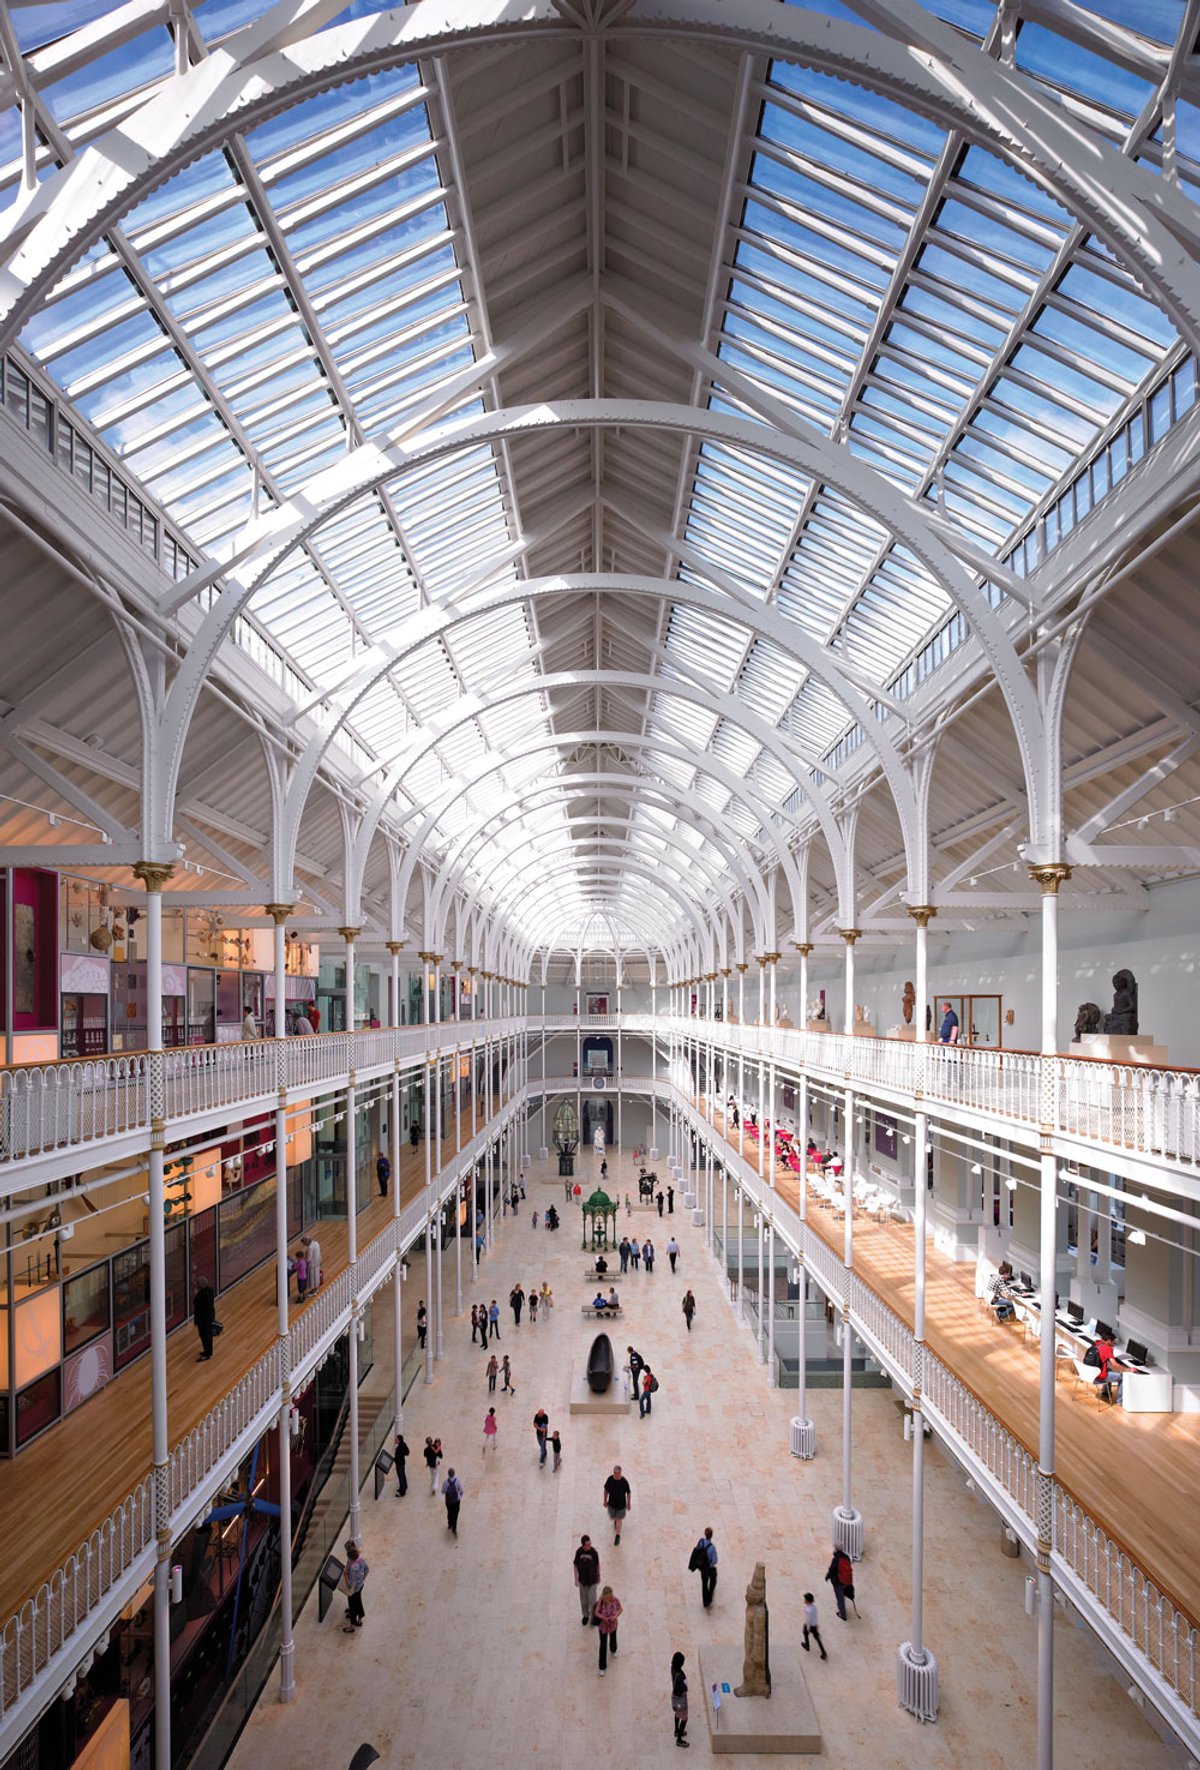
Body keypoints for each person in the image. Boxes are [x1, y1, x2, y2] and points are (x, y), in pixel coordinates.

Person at [341, 1540, 368, 1633]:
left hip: (354, 1590)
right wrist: (362, 1579)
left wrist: (345, 1575)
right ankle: (360, 1619)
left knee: (353, 1606)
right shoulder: (361, 1560)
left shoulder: (353, 1568)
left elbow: (350, 1584)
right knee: (358, 1602)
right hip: (360, 1586)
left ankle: (352, 1626)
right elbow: (366, 1570)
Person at [574, 1533, 601, 1625]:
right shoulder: (579, 1552)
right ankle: (585, 1615)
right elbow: (575, 1565)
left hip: (592, 1580)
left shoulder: (594, 1552)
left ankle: (594, 1617)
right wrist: (576, 1578)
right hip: (583, 1581)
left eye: (590, 1543)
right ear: (583, 1545)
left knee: (592, 1600)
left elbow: (597, 1565)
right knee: (584, 1600)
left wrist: (599, 1575)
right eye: (587, 1544)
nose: (589, 1545)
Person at [1092, 1332, 1126, 1405]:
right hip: (1098, 1378)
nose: (1114, 1343)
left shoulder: (1096, 1344)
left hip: (1090, 1374)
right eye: (1113, 1341)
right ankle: (1120, 1401)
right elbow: (1114, 1364)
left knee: (1109, 1370)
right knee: (1122, 1377)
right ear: (1109, 1341)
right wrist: (1127, 1369)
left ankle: (1105, 1392)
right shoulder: (1107, 1348)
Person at [594, 1586, 622, 1673]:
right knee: (603, 1645)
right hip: (603, 1627)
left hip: (613, 1624)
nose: (610, 1598)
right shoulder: (600, 1602)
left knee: (613, 1638)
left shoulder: (615, 1600)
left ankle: (613, 1650)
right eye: (608, 1597)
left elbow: (620, 1609)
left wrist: (615, 1616)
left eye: (611, 1595)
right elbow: (596, 1613)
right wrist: (604, 1618)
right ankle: (602, 1667)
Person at [825, 1545, 854, 1621]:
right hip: (846, 1581)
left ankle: (842, 1614)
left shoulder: (836, 1559)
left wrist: (827, 1577)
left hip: (838, 1582)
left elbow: (831, 1570)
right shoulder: (846, 1557)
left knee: (840, 1599)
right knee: (842, 1594)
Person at [604, 1465, 631, 1544]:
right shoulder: (610, 1479)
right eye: (614, 1473)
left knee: (619, 1519)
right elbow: (606, 1490)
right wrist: (605, 1500)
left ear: (620, 1473)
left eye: (617, 1473)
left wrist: (629, 1503)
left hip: (621, 1505)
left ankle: (617, 1535)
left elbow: (628, 1492)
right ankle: (615, 1520)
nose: (616, 1474)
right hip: (611, 1504)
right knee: (612, 1517)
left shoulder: (624, 1482)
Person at [691, 1527, 718, 1608]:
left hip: (702, 1567)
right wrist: (710, 1565)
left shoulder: (701, 1542)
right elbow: (715, 1560)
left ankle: (705, 1601)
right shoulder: (712, 1547)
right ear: (711, 1535)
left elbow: (697, 1551)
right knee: (713, 1582)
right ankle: (709, 1598)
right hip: (709, 1568)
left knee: (704, 1583)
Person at [193, 1276, 216, 1362]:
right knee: (207, 1335)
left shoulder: (202, 1295)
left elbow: (197, 1304)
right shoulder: (210, 1291)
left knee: (205, 1336)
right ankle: (208, 1351)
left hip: (203, 1319)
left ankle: (207, 1353)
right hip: (208, 1317)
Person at [670, 1651, 689, 1747]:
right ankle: (679, 1740)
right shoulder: (680, 1677)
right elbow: (685, 1688)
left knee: (677, 1713)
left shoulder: (673, 1668)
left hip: (675, 1698)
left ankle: (676, 1730)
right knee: (684, 1718)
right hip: (681, 1698)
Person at [802, 1592, 828, 1659]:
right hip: (814, 1625)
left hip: (810, 1625)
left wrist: (807, 1628)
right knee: (817, 1638)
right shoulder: (814, 1608)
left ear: (807, 1601)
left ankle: (807, 1646)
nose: (804, 1600)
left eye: (805, 1599)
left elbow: (808, 1620)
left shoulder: (808, 1610)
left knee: (805, 1633)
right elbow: (814, 1617)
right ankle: (823, 1652)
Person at [442, 1467, 463, 1535]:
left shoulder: (445, 1482)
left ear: (448, 1474)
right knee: (455, 1514)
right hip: (456, 1501)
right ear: (454, 1473)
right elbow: (461, 1490)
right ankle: (454, 1528)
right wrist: (460, 1495)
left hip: (448, 1501)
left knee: (449, 1512)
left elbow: (443, 1491)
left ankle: (450, 1523)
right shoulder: (457, 1481)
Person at [393, 1433, 410, 1497]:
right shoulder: (403, 1445)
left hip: (399, 1464)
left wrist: (394, 1459)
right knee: (403, 1475)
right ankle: (404, 1487)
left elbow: (398, 1457)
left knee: (401, 1477)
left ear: (399, 1440)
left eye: (396, 1439)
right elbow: (407, 1452)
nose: (395, 1440)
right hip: (402, 1463)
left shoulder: (399, 1448)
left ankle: (402, 1491)